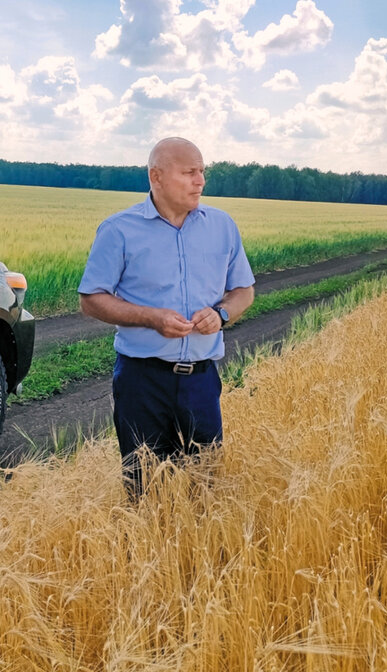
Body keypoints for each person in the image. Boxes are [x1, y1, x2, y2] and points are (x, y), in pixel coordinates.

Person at [78, 137, 255, 499]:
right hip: (142, 381)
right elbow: (91, 299)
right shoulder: (118, 230)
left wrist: (221, 315)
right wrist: (150, 317)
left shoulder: (222, 226)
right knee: (143, 487)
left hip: (202, 381)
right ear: (156, 176)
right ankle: (148, 551)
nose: (200, 181)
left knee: (206, 486)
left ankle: (196, 553)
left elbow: (244, 292)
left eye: (202, 172)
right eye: (190, 172)